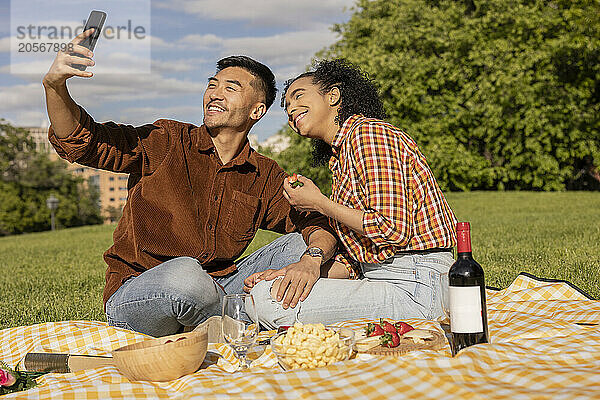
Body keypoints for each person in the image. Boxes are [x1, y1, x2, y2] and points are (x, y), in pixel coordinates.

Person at [42, 29, 339, 337]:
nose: (215, 93)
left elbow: (315, 219)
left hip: (221, 285)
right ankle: (250, 316)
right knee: (187, 276)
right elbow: (83, 141)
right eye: (212, 85)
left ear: (257, 110)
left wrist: (311, 259)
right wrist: (55, 86)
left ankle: (227, 320)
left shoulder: (263, 174)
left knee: (304, 246)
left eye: (230, 87)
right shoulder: (166, 139)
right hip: (143, 293)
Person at [247, 59, 458, 329]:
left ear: (333, 95)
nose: (291, 111)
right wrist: (292, 274)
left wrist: (320, 203)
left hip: (419, 285)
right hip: (386, 279)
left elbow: (391, 229)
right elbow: (356, 260)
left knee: (266, 300)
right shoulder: (343, 155)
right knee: (271, 290)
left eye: (298, 96)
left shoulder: (369, 134)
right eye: (287, 107)